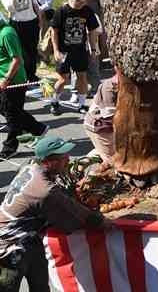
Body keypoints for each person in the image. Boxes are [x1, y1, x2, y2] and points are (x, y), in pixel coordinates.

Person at [0, 136, 108, 291]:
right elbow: (74, 213)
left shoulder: (30, 167)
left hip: (29, 239)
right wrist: (101, 221)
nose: (68, 159)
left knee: (41, 286)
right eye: (62, 157)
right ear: (48, 162)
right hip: (9, 249)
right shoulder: (44, 190)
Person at [49, 0, 101, 115]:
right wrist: (56, 51)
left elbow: (92, 30)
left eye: (83, 0)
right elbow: (53, 32)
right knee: (63, 79)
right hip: (64, 50)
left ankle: (82, 104)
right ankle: (55, 101)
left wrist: (93, 49)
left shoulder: (87, 11)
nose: (81, 3)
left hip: (80, 50)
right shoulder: (61, 11)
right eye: (78, 0)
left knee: (82, 76)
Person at [0, 17, 47, 158]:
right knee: (8, 109)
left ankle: (10, 148)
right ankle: (37, 128)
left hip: (13, 82)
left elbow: (17, 59)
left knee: (12, 116)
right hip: (3, 80)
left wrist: (6, 80)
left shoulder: (7, 33)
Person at [0, 0, 41, 83]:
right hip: (17, 23)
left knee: (32, 50)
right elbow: (9, 8)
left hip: (31, 22)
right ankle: (21, 76)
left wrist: (40, 20)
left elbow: (35, 4)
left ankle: (31, 75)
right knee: (19, 51)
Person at [82, 75, 118, 168]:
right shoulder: (110, 87)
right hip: (100, 126)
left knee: (103, 150)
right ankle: (86, 180)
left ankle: (80, 166)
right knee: (112, 161)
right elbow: (110, 115)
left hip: (109, 124)